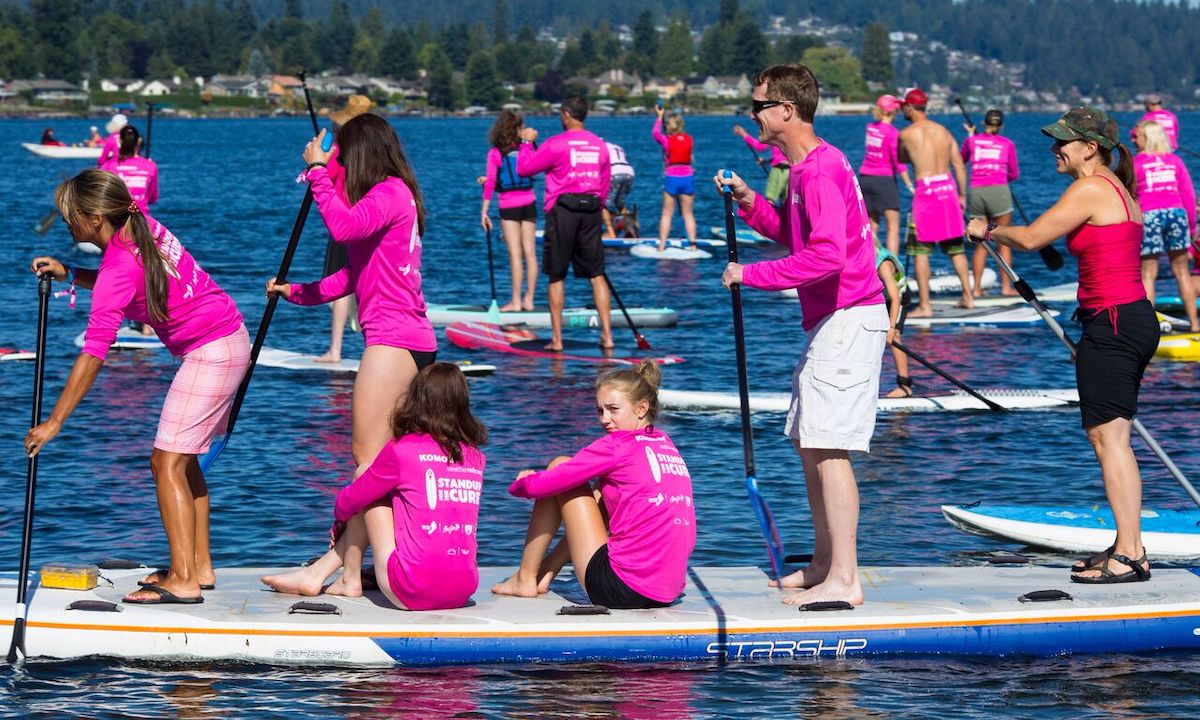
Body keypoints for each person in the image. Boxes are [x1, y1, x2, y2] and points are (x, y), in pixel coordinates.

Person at [25, 169, 250, 604]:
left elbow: (94, 352)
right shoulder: (138, 220)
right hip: (228, 339)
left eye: (70, 217)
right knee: (182, 462)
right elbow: (123, 283)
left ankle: (184, 580)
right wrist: (72, 272)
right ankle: (198, 567)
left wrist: (54, 422)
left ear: (93, 219)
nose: (68, 225)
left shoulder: (118, 265)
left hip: (213, 353)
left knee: (165, 464)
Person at [717, 64, 888, 607]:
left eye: (759, 106)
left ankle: (845, 578)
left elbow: (826, 256)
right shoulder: (810, 167)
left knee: (829, 447)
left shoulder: (816, 171)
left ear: (786, 111)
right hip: (832, 322)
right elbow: (793, 235)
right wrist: (748, 200)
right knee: (808, 440)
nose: (754, 116)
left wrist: (752, 276)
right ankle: (822, 564)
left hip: (849, 316)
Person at [967, 107, 1158, 584]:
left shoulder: (1092, 187)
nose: (1055, 150)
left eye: (1063, 143)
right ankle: (1127, 543)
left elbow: (1032, 238)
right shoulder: (1119, 190)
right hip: (1124, 319)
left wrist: (987, 230)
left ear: (1089, 147)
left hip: (1114, 322)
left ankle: (1131, 553)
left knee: (1107, 438)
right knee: (1113, 437)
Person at [267, 114, 437, 471]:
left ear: (362, 154)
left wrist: (316, 170)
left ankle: (369, 528)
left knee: (366, 458)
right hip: (408, 341)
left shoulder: (388, 193)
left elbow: (342, 229)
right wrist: (294, 292)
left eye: (344, 159)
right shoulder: (396, 193)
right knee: (387, 460)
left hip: (393, 344)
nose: (342, 166)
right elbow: (349, 278)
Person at [261, 363, 487, 610]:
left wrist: (341, 520)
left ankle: (347, 578)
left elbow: (350, 501)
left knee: (365, 475)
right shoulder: (475, 457)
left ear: (417, 400)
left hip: (412, 590)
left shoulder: (403, 449)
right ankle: (321, 573)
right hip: (463, 589)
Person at [491, 361, 695, 609]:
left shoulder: (617, 445)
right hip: (667, 591)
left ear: (642, 408)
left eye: (613, 409)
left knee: (559, 466)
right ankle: (544, 574)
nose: (605, 419)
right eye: (600, 411)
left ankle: (525, 578)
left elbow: (544, 486)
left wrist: (522, 483)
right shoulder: (665, 443)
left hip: (621, 589)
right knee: (602, 489)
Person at [515, 95, 613, 351]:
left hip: (563, 211)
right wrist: (598, 206)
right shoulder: (599, 145)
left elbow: (524, 169)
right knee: (597, 274)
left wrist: (526, 142)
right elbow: (605, 181)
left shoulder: (556, 144)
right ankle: (607, 335)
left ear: (567, 115)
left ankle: (557, 339)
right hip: (591, 209)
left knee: (557, 274)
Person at [898, 88, 974, 315]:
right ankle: (968, 297)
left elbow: (901, 158)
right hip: (947, 190)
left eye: (904, 106)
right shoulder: (944, 131)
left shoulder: (906, 134)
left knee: (921, 252)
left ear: (910, 107)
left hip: (926, 193)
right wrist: (962, 196)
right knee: (956, 249)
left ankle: (925, 305)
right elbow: (959, 165)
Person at [314, 94, 373, 364]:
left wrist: (317, 161)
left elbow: (322, 178)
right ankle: (371, 349)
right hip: (369, 221)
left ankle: (335, 349)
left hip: (343, 222)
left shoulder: (336, 151)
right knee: (367, 284)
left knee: (341, 287)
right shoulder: (371, 151)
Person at [1133, 120, 1198, 331]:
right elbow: (1188, 195)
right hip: (1175, 214)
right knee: (1182, 272)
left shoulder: (1136, 163)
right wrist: (1190, 228)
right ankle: (1195, 324)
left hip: (1149, 215)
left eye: (1137, 136)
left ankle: (1148, 329)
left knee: (1147, 274)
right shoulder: (1175, 161)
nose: (1133, 139)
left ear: (1148, 138)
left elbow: (1130, 197)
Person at [481, 109, 539, 311]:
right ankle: (529, 300)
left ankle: (516, 301)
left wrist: (484, 211)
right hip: (529, 202)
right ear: (517, 129)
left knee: (515, 255)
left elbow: (491, 183)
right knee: (530, 253)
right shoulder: (528, 148)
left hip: (508, 205)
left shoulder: (496, 152)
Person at [962, 109, 1020, 297]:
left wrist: (972, 137)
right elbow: (1014, 174)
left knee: (981, 242)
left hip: (977, 193)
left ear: (984, 123)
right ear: (1001, 125)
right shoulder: (1007, 144)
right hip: (999, 191)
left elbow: (961, 159)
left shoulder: (972, 141)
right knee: (1004, 241)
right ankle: (1005, 288)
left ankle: (976, 289)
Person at [858, 94, 914, 256]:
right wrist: (910, 186)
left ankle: (871, 263)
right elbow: (899, 163)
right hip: (884, 181)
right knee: (893, 227)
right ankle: (894, 269)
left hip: (865, 178)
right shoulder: (893, 133)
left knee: (872, 226)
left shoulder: (871, 128)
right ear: (894, 112)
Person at [652, 106, 698, 251]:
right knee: (688, 214)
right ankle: (693, 246)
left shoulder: (667, 140)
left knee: (667, 213)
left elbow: (655, 133)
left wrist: (659, 117)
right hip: (688, 178)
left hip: (672, 178)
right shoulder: (689, 139)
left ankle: (661, 246)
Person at [876, 242, 912, 398]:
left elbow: (895, 298)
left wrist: (891, 328)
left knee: (895, 337)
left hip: (898, 300)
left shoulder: (883, 265)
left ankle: (904, 386)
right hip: (882, 299)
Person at [101, 125, 159, 212]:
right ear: (138, 141)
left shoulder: (108, 166)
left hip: (116, 218)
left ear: (119, 141)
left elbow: (101, 195)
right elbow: (152, 198)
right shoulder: (150, 166)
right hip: (141, 219)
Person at [734, 123, 791, 205]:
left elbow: (759, 147)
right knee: (786, 201)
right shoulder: (789, 134)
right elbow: (783, 156)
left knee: (770, 199)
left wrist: (743, 134)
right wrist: (766, 161)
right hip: (790, 171)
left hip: (778, 171)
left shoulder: (773, 135)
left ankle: (770, 217)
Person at [602, 140, 635, 239]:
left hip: (614, 171)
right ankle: (629, 230)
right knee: (620, 202)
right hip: (629, 171)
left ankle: (610, 232)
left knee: (602, 204)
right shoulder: (617, 146)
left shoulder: (600, 148)